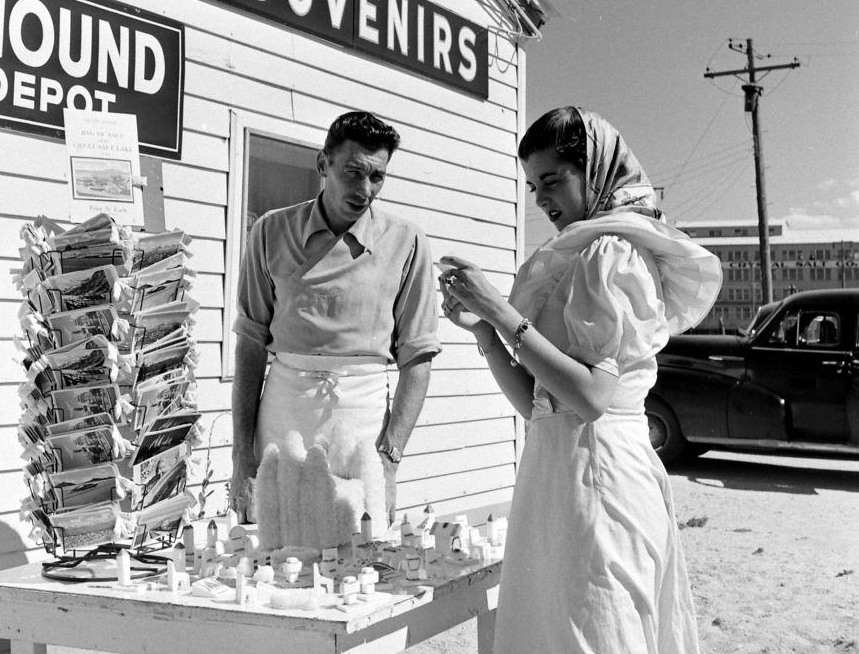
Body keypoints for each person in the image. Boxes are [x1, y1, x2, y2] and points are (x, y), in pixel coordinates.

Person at [439, 106, 721, 654]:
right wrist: (483, 333)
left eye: (553, 180)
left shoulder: (613, 252)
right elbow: (539, 404)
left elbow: (591, 398)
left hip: (602, 476)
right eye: (531, 186)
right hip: (555, 474)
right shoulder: (584, 252)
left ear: (593, 172)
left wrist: (502, 313)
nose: (541, 199)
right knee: (553, 629)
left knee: (596, 631)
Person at [231, 110, 440, 524]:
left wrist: (390, 460)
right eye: (353, 172)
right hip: (285, 410)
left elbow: (417, 360)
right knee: (277, 544)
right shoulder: (271, 232)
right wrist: (241, 455)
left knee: (359, 552)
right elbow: (251, 345)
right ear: (323, 165)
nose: (365, 189)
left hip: (363, 421)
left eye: (377, 177)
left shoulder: (407, 240)